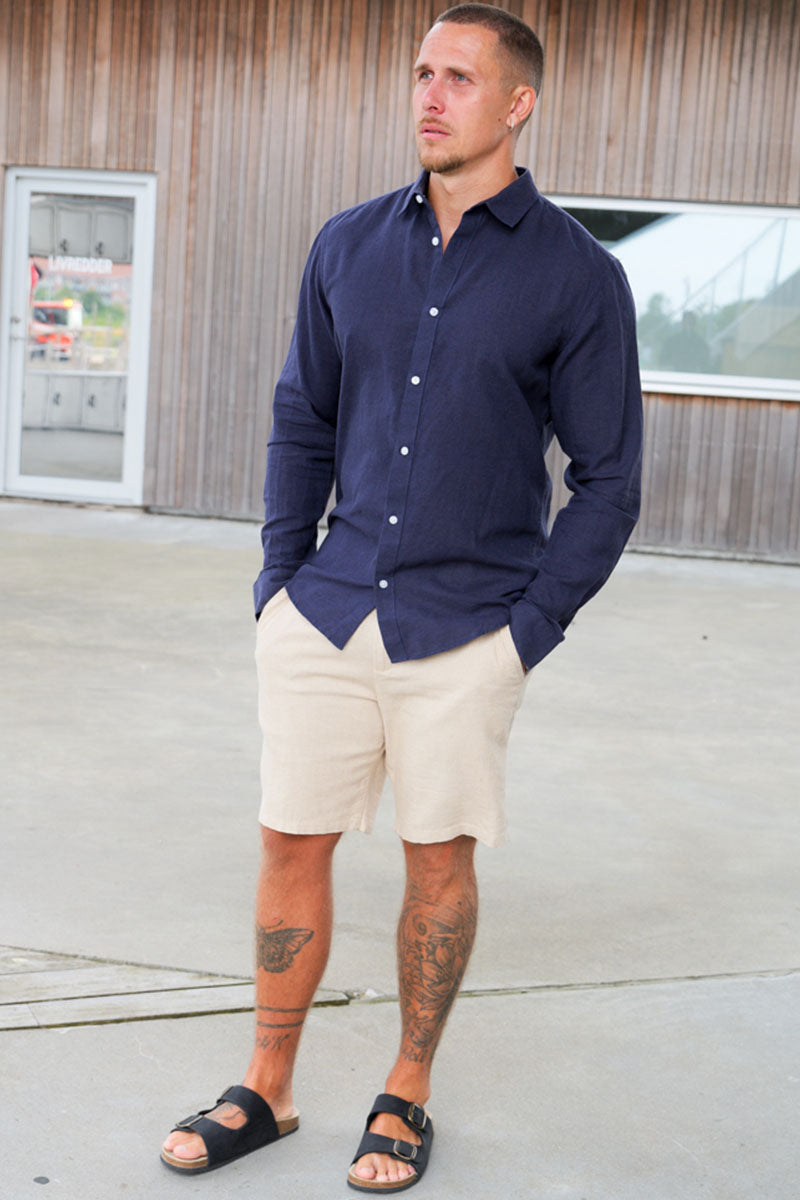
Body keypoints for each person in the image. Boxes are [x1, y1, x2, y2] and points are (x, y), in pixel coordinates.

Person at [161, 3, 643, 1191]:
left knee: (437, 867)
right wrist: (276, 584)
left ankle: (405, 1090)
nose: (429, 95)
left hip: (466, 629)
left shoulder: (577, 276)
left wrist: (525, 633)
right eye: (422, 72)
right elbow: (302, 417)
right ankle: (266, 1088)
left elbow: (608, 480)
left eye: (459, 77)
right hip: (324, 609)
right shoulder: (345, 245)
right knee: (288, 844)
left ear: (517, 103)